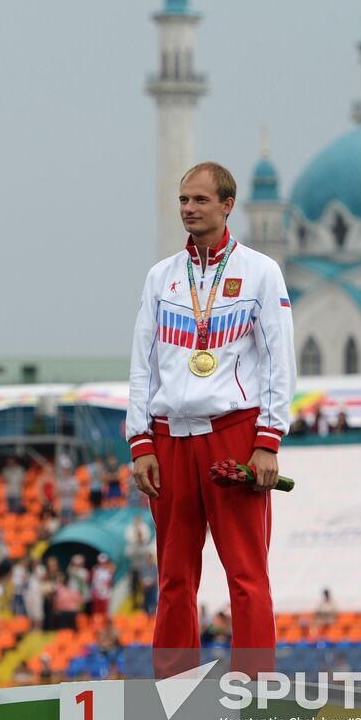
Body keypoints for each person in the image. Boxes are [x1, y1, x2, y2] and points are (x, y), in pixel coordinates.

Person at [127, 161, 296, 670]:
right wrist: (141, 443)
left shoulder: (261, 271)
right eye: (183, 200)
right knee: (175, 576)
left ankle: (255, 690)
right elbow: (143, 365)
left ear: (227, 205)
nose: (189, 210)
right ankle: (174, 690)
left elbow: (278, 361)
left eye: (200, 200)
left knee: (246, 574)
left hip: (233, 434)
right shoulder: (162, 277)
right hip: (170, 439)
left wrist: (268, 441)